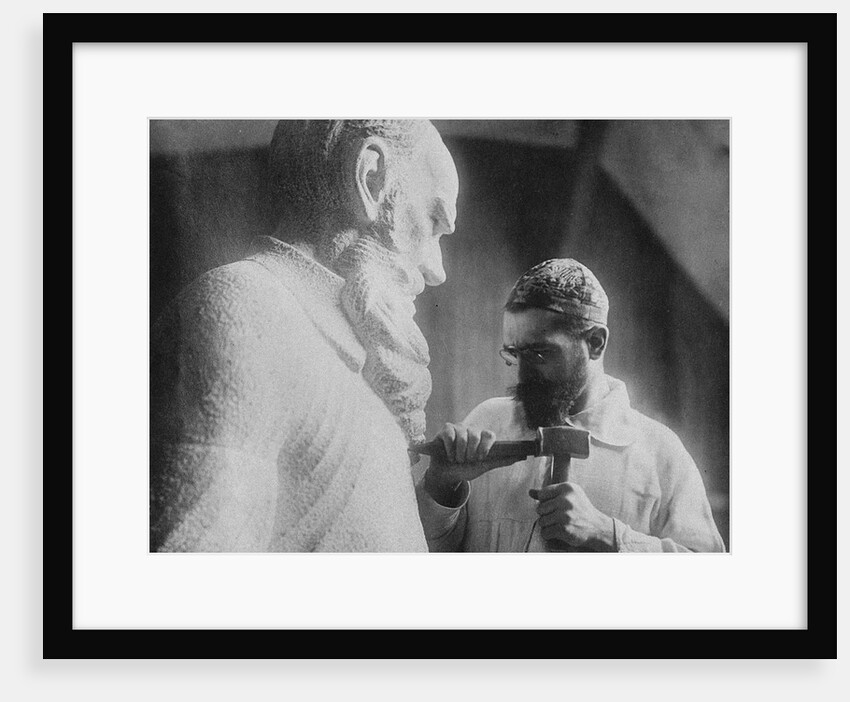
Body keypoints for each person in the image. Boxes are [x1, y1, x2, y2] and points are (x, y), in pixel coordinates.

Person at [150, 120, 458, 552]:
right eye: (432, 220)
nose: (435, 269)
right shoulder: (247, 310)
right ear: (371, 178)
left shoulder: (342, 345)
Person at [415, 258, 725, 553]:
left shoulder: (660, 453)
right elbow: (426, 555)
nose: (522, 373)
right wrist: (442, 485)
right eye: (514, 352)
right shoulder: (486, 422)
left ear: (595, 343)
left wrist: (607, 534)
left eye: (539, 354)